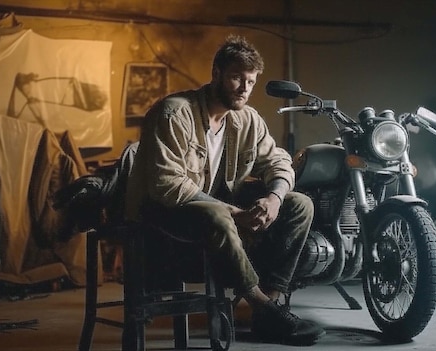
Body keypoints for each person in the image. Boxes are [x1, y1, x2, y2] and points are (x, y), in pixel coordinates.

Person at [125, 34, 325, 345]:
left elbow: (278, 161)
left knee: (300, 204)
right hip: (161, 214)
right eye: (236, 78)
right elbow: (167, 185)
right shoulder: (174, 113)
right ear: (216, 74)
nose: (244, 88)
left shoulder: (248, 120)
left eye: (251, 81)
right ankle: (263, 305)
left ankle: (267, 310)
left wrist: (273, 199)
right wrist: (236, 213)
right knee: (218, 214)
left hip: (214, 208)